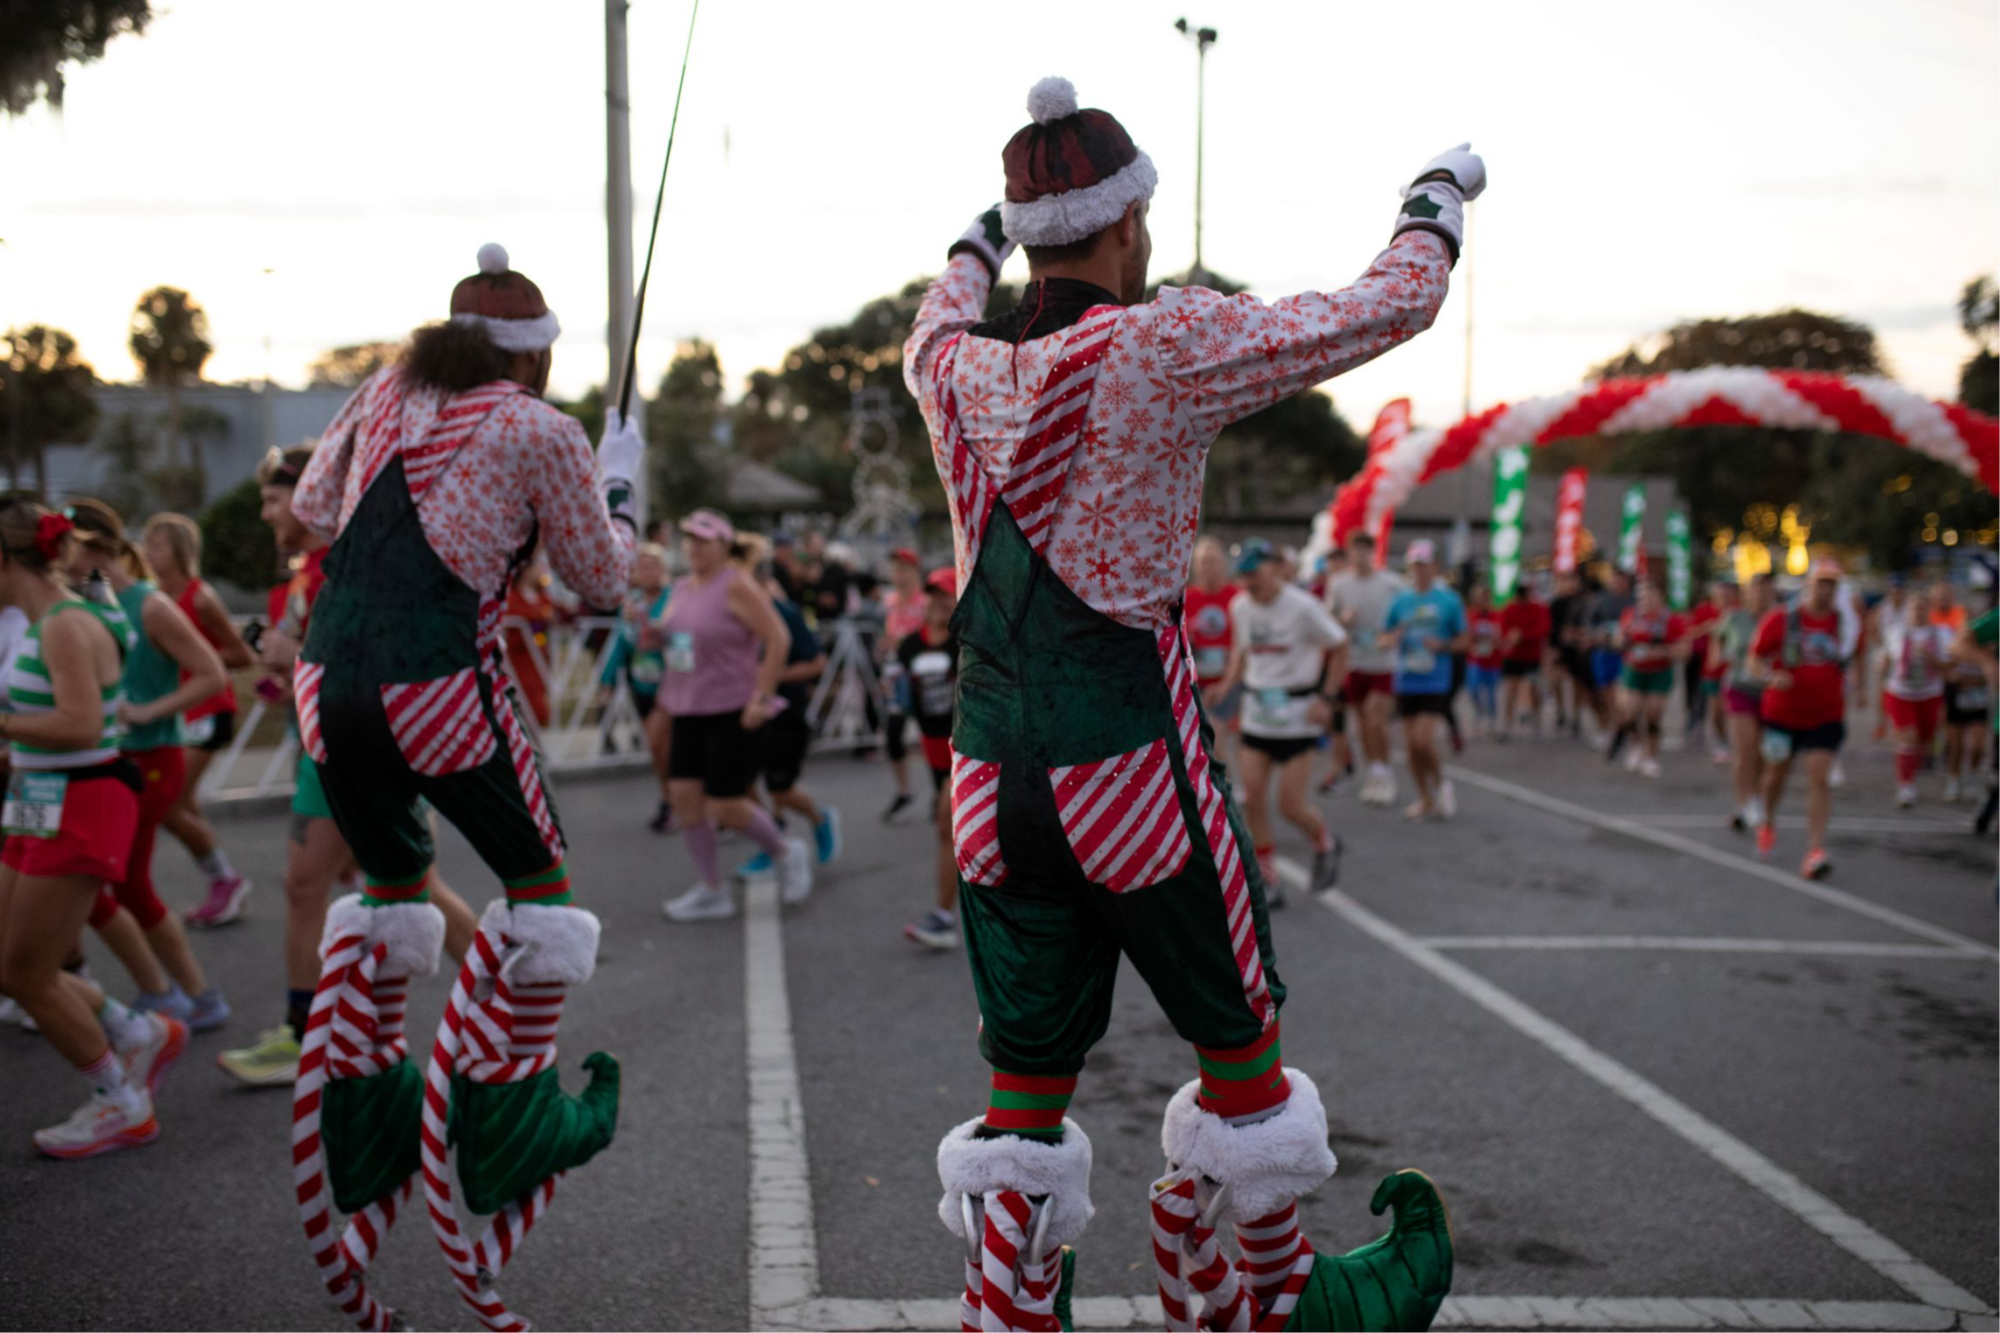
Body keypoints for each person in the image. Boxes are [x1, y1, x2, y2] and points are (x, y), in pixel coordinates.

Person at [904, 78, 1469, 1320]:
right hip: (1131, 774)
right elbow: (1392, 303)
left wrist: (974, 237)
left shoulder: (943, 366)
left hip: (990, 785)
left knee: (1024, 1093)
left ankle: (1006, 1304)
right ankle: (1265, 1299)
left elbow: (942, 295)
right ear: (1126, 226)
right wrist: (1433, 204)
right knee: (1241, 1059)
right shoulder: (1160, 343)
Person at [0, 501, 189, 1158]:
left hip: (80, 799)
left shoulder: (63, 622)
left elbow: (83, 725)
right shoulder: (42, 619)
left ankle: (121, 1100)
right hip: (38, 794)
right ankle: (136, 1029)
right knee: (10, 962)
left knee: (27, 972)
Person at [65, 499, 233, 1029]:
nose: (58, 556)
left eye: (66, 544)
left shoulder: (151, 605)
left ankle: (193, 997)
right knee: (84, 883)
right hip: (103, 762)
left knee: (126, 885)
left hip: (153, 759)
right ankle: (150, 992)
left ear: (92, 547)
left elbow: (213, 673)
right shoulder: (83, 605)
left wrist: (147, 711)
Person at [658, 510, 812, 921]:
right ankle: (712, 889)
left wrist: (761, 697)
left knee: (725, 807)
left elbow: (777, 636)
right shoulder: (680, 587)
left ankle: (785, 850)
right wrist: (649, 630)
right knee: (685, 802)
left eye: (703, 540)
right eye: (689, 538)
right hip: (686, 707)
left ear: (724, 545)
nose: (693, 546)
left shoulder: (736, 585)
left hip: (731, 709)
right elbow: (676, 637)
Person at [1208, 538, 1347, 901]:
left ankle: (1325, 842)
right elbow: (1243, 649)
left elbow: (1340, 645)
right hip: (1256, 713)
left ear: (1274, 567)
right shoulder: (1241, 606)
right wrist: (1227, 685)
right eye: (1243, 575)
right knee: (1253, 799)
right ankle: (1268, 878)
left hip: (1298, 714)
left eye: (1254, 573)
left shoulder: (1302, 607)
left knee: (1290, 806)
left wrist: (1327, 698)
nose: (1249, 582)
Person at [139, 513, 256, 926]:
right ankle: (221, 880)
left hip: (209, 711)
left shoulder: (200, 596)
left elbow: (241, 655)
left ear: (180, 551)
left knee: (167, 804)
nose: (148, 553)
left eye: (157, 545)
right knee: (183, 806)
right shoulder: (150, 598)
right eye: (147, 545)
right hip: (177, 713)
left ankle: (227, 880)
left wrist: (193, 656)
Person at [741, 540, 840, 873]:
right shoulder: (734, 615)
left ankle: (819, 818)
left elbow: (816, 663)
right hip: (745, 710)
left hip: (784, 712)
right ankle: (772, 841)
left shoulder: (783, 613)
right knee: (740, 782)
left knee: (779, 787)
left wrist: (770, 674)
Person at [1753, 559, 1849, 879]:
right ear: (1809, 585)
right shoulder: (1783, 618)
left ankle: (1816, 850)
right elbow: (1754, 659)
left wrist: (1861, 685)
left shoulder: (1843, 622)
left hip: (1826, 713)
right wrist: (1770, 676)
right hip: (1783, 713)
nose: (1827, 590)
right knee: (1775, 776)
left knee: (1818, 777)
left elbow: (1856, 653)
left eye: (1832, 584)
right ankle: (1767, 820)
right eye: (1822, 583)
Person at [899, 567, 962, 950]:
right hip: (932, 749)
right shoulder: (910, 644)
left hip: (966, 747)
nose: (939, 603)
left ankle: (943, 917)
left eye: (947, 595)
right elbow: (905, 694)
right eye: (934, 595)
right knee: (956, 831)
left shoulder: (969, 642)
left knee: (946, 825)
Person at [1383, 540, 1468, 820]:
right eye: (1415, 565)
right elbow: (1383, 636)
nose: (1419, 570)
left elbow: (1464, 640)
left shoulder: (1448, 600)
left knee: (1422, 741)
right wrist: (1392, 638)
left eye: (1424, 565)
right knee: (1410, 747)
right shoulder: (1400, 600)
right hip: (1407, 679)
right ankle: (1425, 798)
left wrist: (1442, 646)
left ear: (1435, 567)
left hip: (1436, 679)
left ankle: (1442, 784)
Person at [597, 542, 675, 830]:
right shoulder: (632, 604)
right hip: (642, 686)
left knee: (660, 741)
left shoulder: (676, 598)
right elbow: (619, 642)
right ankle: (670, 798)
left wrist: (661, 634)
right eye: (642, 567)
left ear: (663, 569)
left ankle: (678, 802)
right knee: (658, 749)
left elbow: (685, 638)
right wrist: (606, 681)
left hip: (673, 685)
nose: (647, 572)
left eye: (653, 566)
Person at [1325, 530, 1405, 805]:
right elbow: (1327, 619)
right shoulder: (1339, 584)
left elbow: (1404, 617)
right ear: (1349, 554)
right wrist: (1341, 619)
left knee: (1375, 717)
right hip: (1354, 661)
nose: (1360, 556)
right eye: (1355, 551)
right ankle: (1374, 770)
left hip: (1382, 662)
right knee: (1361, 724)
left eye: (1365, 550)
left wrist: (1393, 636)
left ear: (1374, 552)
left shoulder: (1391, 583)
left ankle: (1384, 770)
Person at [1879, 590, 1952, 809]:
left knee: (1925, 741)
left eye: (1921, 608)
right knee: (1907, 738)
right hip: (1901, 693)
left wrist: (1931, 658)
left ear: (1928, 610)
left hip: (1929, 693)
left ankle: (1914, 767)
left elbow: (1949, 666)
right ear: (1907, 611)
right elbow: (1886, 660)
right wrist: (1881, 665)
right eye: (1913, 608)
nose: (1917, 612)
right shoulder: (1896, 632)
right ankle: (1906, 787)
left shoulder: (1942, 634)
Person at [1715, 573, 1774, 831]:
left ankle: (1756, 796)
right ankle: (1742, 803)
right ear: (1748, 592)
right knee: (1745, 747)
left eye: (1767, 590)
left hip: (1770, 691)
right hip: (1739, 687)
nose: (1761, 595)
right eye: (1757, 590)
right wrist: (1720, 656)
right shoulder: (1734, 617)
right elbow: (1718, 640)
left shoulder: (1778, 619)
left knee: (1764, 751)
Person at [1609, 577, 1685, 779]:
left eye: (1650, 595)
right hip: (1634, 669)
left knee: (1653, 715)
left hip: (1659, 672)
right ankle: (1636, 745)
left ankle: (1651, 755)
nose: (1645, 600)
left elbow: (1684, 650)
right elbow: (1619, 640)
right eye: (1641, 596)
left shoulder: (1671, 619)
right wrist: (1622, 643)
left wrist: (1662, 652)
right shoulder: (1631, 616)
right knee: (1630, 713)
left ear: (1660, 596)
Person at [878, 549, 927, 822]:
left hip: (924, 677)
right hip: (899, 678)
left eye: (903, 569)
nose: (897, 575)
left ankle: (944, 788)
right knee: (893, 737)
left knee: (935, 737)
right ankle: (904, 791)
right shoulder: (892, 602)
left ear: (914, 570)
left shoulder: (927, 600)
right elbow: (890, 638)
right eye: (894, 569)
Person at [1184, 536, 1241, 765]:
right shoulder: (1187, 598)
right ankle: (1224, 787)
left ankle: (1230, 789)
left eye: (1212, 561)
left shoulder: (1236, 597)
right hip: (1197, 680)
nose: (1207, 567)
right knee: (1205, 740)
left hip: (1230, 678)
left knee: (1218, 734)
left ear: (1223, 564)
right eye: (1203, 562)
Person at [1934, 583, 1988, 801]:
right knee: (1955, 745)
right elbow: (1946, 669)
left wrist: (1974, 678)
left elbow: (1990, 672)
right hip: (1955, 695)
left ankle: (1973, 774)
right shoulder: (1953, 643)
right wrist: (1953, 676)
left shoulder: (1987, 645)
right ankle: (1954, 779)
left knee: (1977, 746)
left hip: (1978, 697)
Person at [1496, 583, 1550, 740]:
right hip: (1513, 657)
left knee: (1534, 689)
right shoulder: (1509, 609)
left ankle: (1536, 722)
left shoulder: (1538, 608)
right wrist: (1512, 636)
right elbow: (1504, 629)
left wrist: (1523, 635)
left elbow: (1542, 629)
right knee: (1510, 690)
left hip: (1532, 657)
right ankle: (1507, 724)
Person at [1697, 581, 1738, 763]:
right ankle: (1721, 742)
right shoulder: (1705, 611)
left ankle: (1736, 743)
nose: (1723, 598)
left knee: (1733, 709)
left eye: (1727, 594)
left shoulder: (1740, 613)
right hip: (1713, 670)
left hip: (1736, 671)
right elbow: (1688, 633)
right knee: (1716, 711)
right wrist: (1707, 627)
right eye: (1720, 594)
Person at [1464, 583, 1503, 739]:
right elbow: (1465, 636)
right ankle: (1479, 714)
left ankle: (1491, 721)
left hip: (1493, 660)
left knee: (1492, 693)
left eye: (1486, 598)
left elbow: (1502, 636)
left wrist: (1495, 638)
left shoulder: (1497, 615)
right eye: (1481, 598)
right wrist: (1472, 641)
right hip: (1475, 660)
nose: (1484, 601)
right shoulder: (1470, 615)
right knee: (1473, 690)